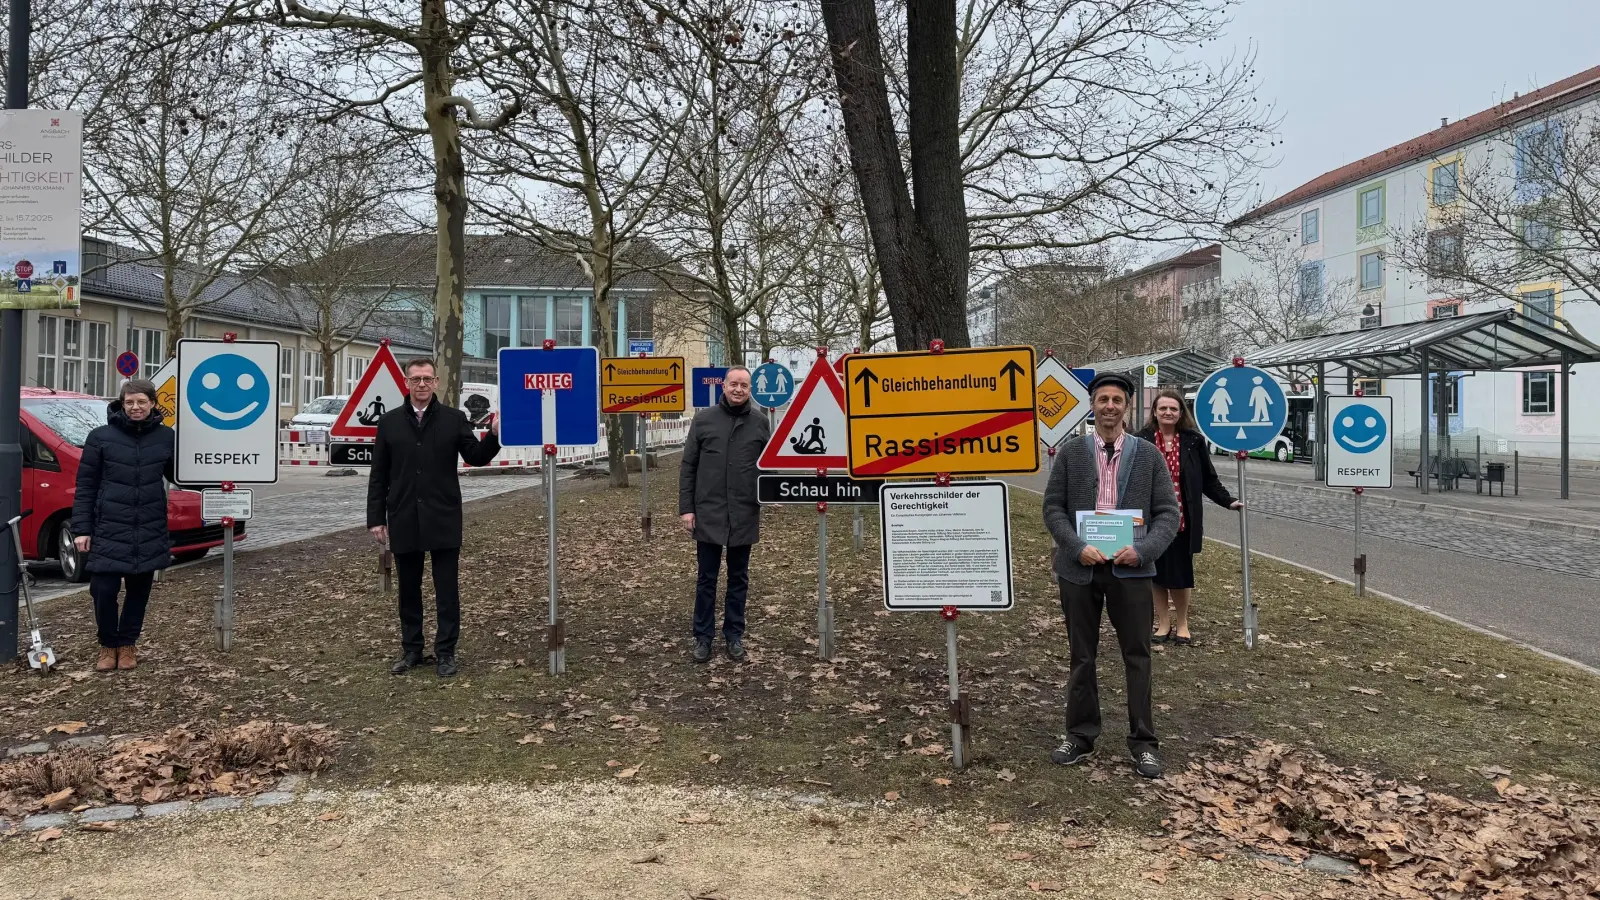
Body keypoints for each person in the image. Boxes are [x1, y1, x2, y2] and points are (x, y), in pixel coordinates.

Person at [1041, 372, 1180, 779]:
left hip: (1131, 571)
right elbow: (1053, 509)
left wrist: (1143, 551)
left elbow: (1169, 515)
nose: (1109, 407)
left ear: (1128, 406)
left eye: (1117, 400)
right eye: (1102, 399)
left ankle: (1143, 742)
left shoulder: (1148, 455)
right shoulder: (1071, 454)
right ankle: (1080, 735)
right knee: (1081, 656)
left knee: (1137, 655)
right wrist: (1075, 547)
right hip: (1079, 570)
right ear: (1092, 405)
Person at [367, 358, 501, 678]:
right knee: (409, 590)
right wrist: (376, 518)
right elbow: (379, 475)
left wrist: (495, 435)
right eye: (416, 379)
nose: (422, 385)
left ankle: (446, 653)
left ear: (437, 382)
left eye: (427, 379)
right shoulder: (389, 423)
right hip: (403, 516)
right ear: (406, 383)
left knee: (446, 589)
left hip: (443, 517)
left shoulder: (455, 419)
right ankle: (412, 649)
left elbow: (476, 457)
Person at [70, 379, 176, 673]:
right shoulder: (100, 437)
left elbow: (180, 473)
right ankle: (108, 644)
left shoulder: (166, 437)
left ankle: (127, 644)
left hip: (148, 526)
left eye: (141, 402)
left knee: (139, 590)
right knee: (102, 589)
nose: (135, 407)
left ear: (153, 403)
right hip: (108, 527)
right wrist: (81, 529)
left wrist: (221, 479)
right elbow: (85, 485)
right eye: (129, 402)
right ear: (121, 404)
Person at [1136, 389, 1243, 646]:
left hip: (1184, 519)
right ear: (1155, 412)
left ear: (1181, 412)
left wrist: (1228, 501)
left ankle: (1182, 623)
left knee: (1181, 575)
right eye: (1163, 408)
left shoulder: (1193, 441)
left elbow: (1208, 478)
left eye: (1174, 409)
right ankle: (1162, 623)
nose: (1168, 413)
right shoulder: (1141, 440)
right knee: (1156, 573)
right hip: (1150, 520)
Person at [678, 365, 770, 663]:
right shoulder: (703, 420)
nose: (738, 389)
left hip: (744, 511)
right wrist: (687, 509)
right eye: (734, 384)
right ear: (724, 386)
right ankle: (703, 637)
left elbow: (769, 463)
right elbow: (688, 466)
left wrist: (775, 489)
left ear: (750, 388)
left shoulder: (760, 421)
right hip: (709, 512)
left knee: (738, 578)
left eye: (744, 385)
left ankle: (734, 636)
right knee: (707, 578)